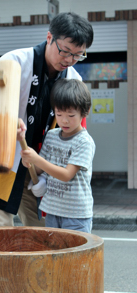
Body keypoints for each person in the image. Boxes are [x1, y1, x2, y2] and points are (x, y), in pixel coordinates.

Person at [0, 12, 94, 227]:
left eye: (78, 55)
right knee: (1, 236)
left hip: (35, 168)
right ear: (49, 37)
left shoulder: (73, 80)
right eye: (65, 51)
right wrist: (6, 125)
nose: (69, 60)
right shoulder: (13, 63)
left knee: (41, 234)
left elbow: (76, 131)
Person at [21, 79, 96, 233]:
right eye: (59, 114)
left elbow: (67, 175)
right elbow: (40, 169)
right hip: (52, 210)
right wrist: (28, 161)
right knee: (55, 255)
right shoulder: (52, 135)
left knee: (75, 256)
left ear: (85, 111)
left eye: (71, 115)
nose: (64, 120)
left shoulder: (84, 142)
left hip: (76, 214)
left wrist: (37, 159)